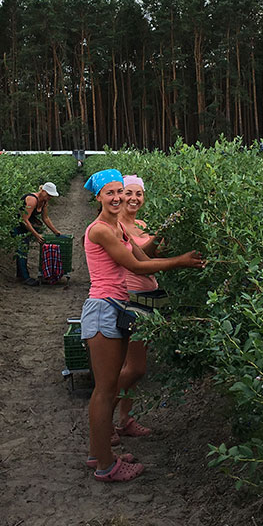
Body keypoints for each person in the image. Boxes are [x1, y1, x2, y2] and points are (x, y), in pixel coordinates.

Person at [80, 169, 205, 482]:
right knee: (105, 391)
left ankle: (100, 455)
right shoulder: (100, 230)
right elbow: (135, 266)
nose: (119, 197)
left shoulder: (117, 228)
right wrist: (180, 261)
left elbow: (143, 255)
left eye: (120, 191)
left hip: (115, 307)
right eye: (110, 193)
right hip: (103, 310)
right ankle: (107, 467)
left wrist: (171, 243)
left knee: (107, 389)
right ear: (98, 197)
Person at [113, 174, 157, 440]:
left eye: (138, 194)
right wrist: (162, 234)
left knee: (133, 366)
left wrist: (161, 242)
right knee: (135, 368)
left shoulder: (141, 224)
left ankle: (124, 420)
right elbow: (137, 260)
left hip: (149, 293)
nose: (134, 198)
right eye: (128, 193)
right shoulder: (117, 227)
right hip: (131, 297)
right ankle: (104, 418)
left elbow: (151, 256)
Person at [14, 182, 62, 286]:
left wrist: (55, 231)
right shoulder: (32, 200)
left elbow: (45, 218)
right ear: (43, 191)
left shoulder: (44, 202)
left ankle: (20, 275)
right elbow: (24, 219)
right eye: (49, 195)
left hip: (25, 226)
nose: (50, 197)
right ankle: (25, 278)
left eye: (51, 196)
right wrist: (36, 235)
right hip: (17, 225)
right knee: (22, 250)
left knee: (23, 249)